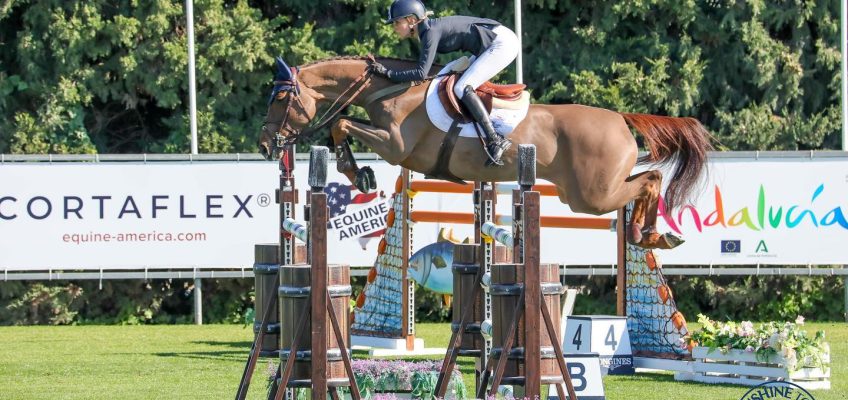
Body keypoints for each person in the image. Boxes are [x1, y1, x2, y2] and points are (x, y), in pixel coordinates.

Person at [371, 0, 519, 166]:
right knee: (453, 79)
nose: (395, 27)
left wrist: (388, 74)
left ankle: (495, 139)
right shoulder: (428, 30)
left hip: (501, 43)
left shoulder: (430, 33)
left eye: (397, 22)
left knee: (462, 87)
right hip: (492, 41)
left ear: (412, 20)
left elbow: (421, 73)